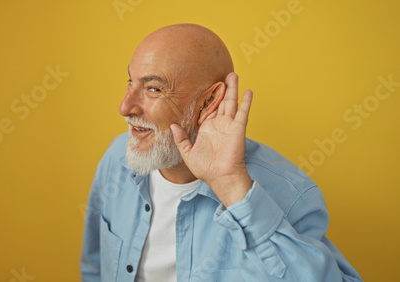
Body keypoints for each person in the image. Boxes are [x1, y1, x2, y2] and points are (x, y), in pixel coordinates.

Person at [81, 23, 362, 282]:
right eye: (130, 82)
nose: (125, 107)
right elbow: (94, 267)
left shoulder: (289, 193)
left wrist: (233, 189)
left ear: (210, 100)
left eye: (153, 89)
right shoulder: (117, 159)